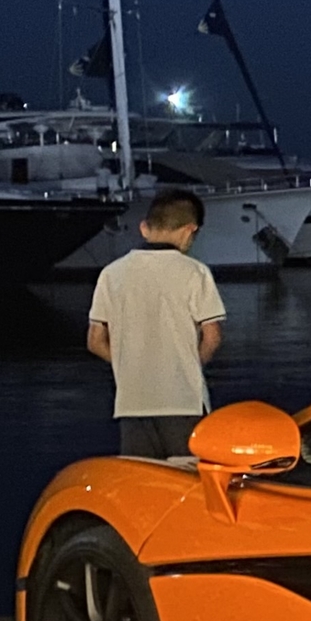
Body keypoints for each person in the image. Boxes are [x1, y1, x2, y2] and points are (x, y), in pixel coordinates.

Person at [86, 188, 225, 458]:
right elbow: (212, 337)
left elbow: (94, 341)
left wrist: (130, 366)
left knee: (142, 484)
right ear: (189, 230)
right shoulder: (195, 273)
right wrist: (186, 365)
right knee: (186, 485)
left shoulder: (111, 274)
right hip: (183, 404)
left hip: (132, 404)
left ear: (144, 228)